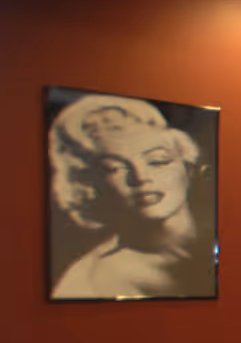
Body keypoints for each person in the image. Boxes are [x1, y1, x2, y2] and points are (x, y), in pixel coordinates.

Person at [48, 93, 214, 299]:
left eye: (157, 161)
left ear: (189, 168)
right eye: (114, 168)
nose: (141, 178)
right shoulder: (85, 283)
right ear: (92, 185)